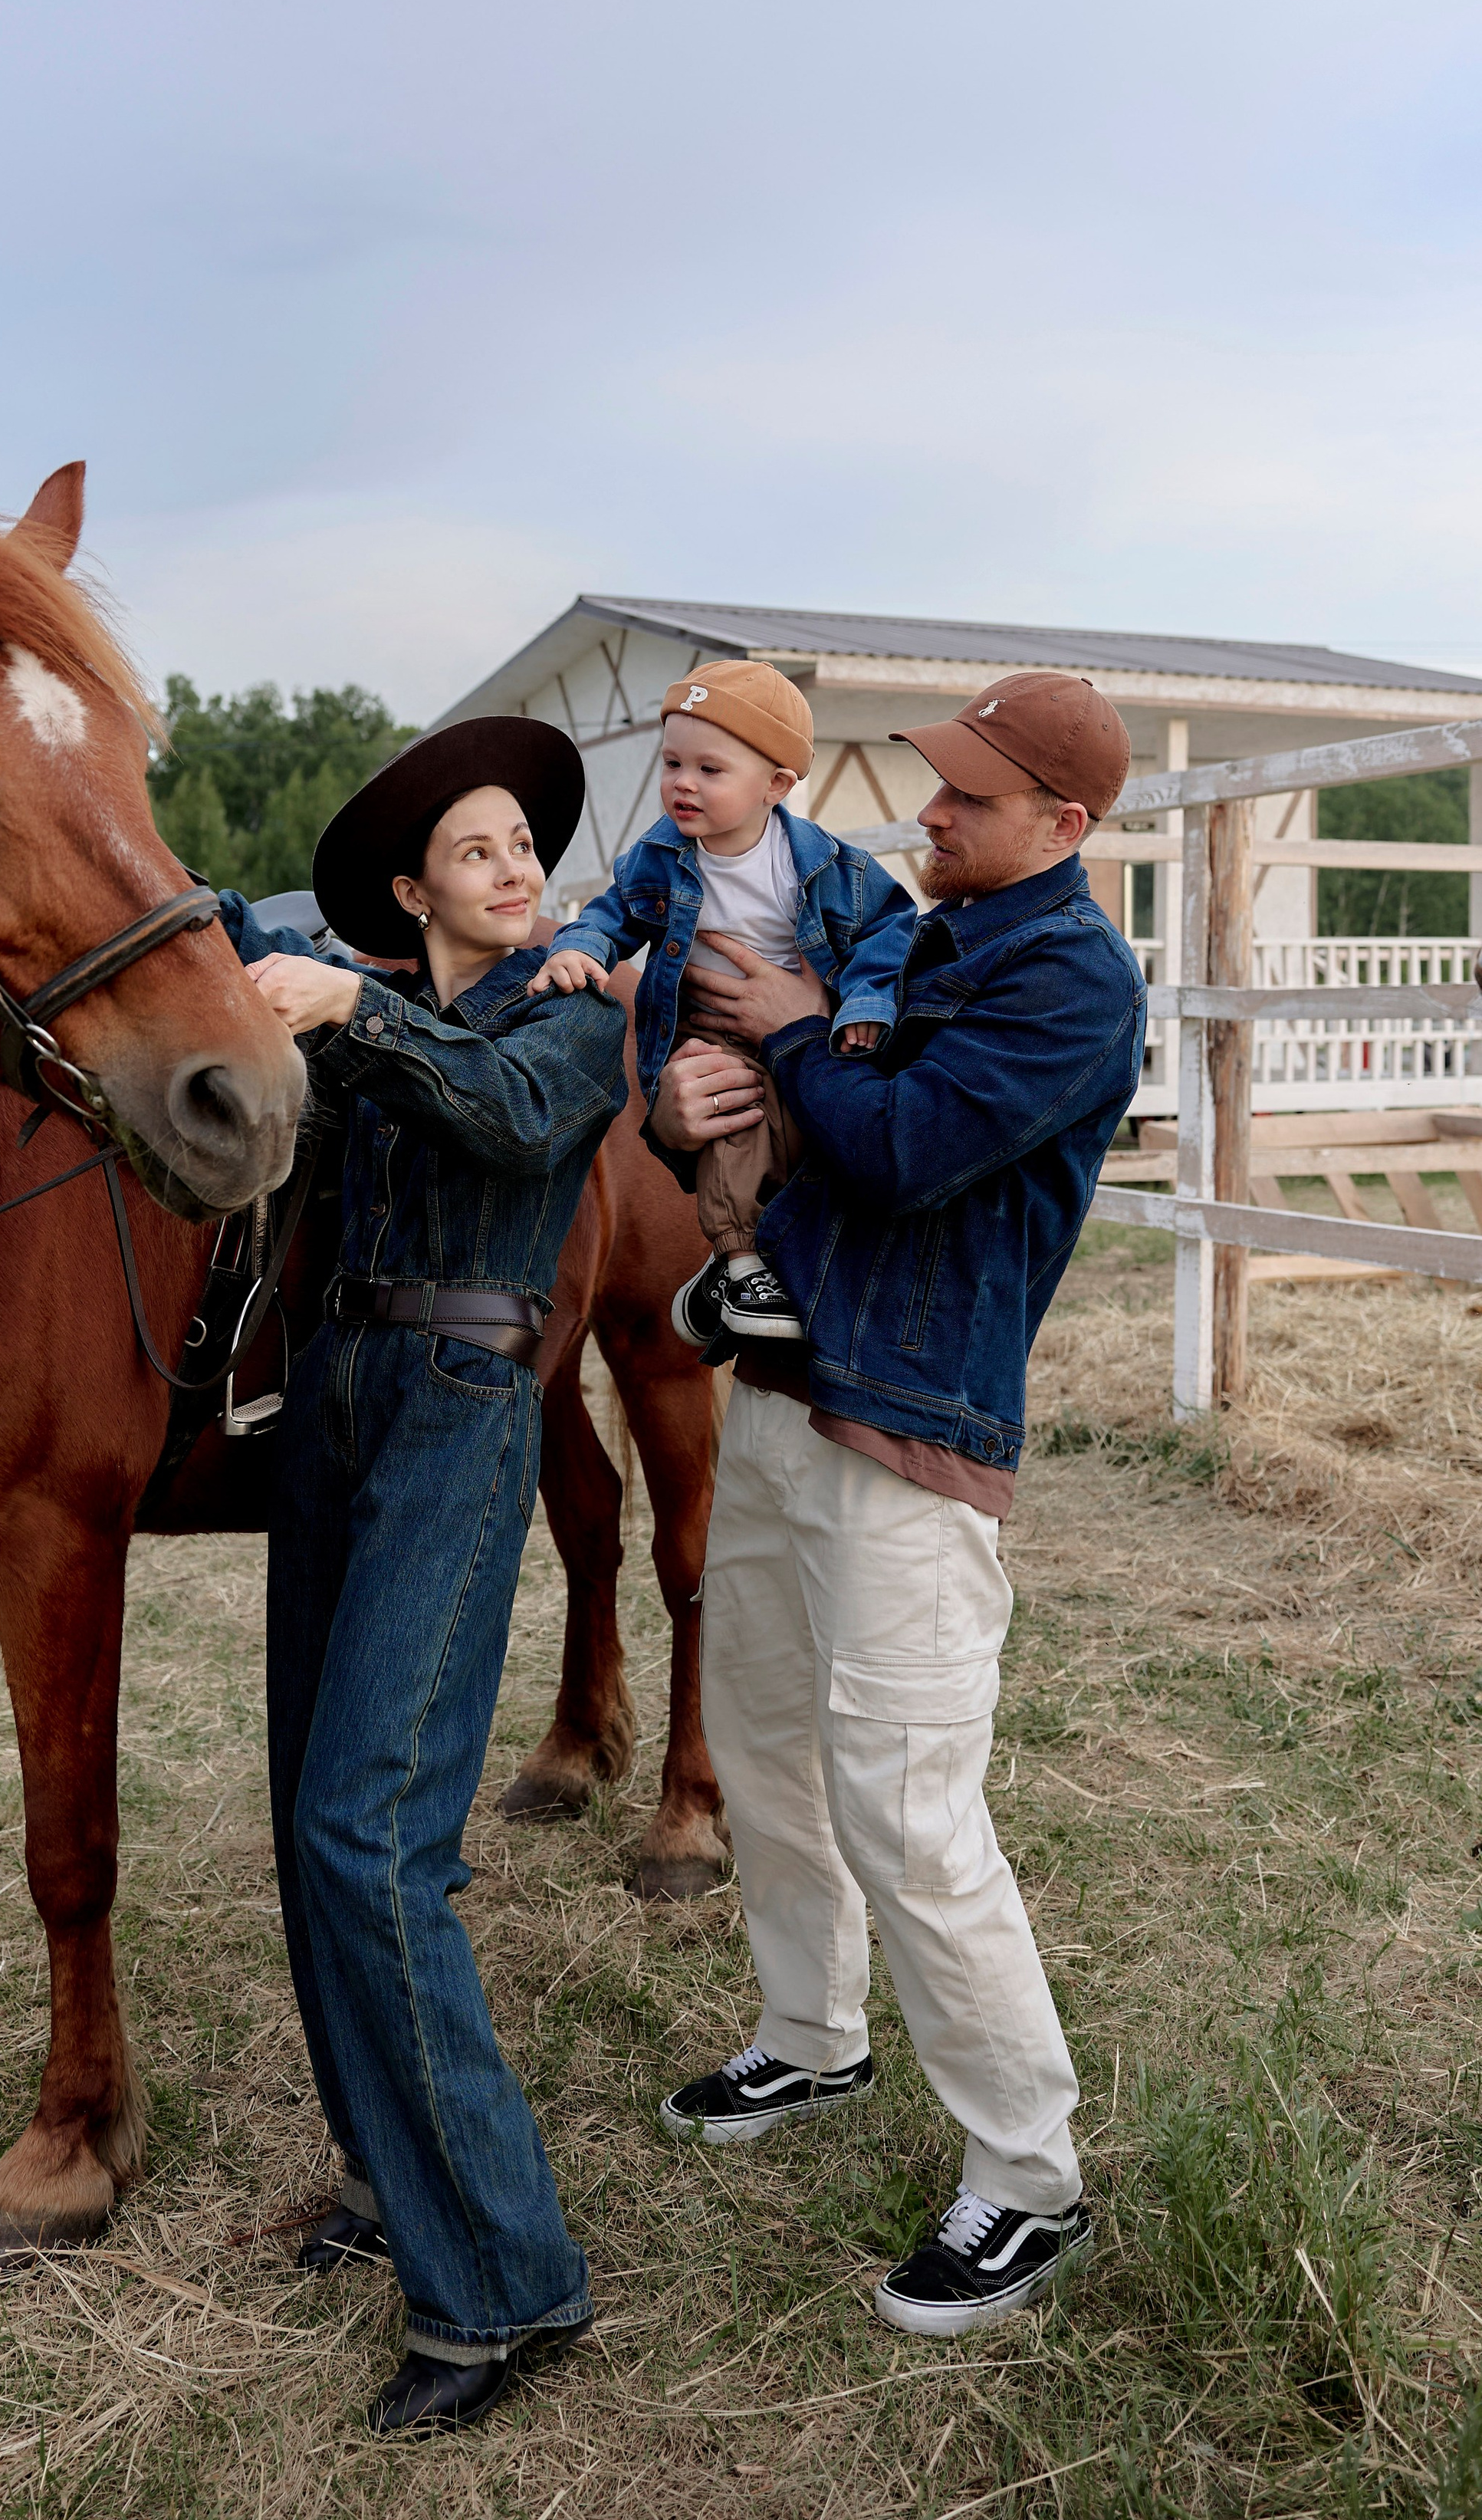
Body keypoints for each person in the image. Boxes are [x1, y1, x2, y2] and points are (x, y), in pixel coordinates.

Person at [647, 671, 1145, 2339]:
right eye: (933, 787)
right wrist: (688, 1120)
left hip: (912, 1443)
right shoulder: (922, 942)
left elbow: (901, 1148)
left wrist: (786, 1028)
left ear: (1064, 829)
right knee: (764, 1741)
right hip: (791, 1402)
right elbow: (796, 1147)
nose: (926, 814)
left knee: (911, 1814)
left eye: (968, 799)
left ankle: (1026, 2178)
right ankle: (810, 2034)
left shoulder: (1070, 983)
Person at [228, 716, 629, 2440]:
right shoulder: (343, 1001)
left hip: (467, 1403)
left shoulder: (570, 1020)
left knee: (370, 1831)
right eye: (475, 850)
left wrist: (356, 1012)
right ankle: (393, 2179)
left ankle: (502, 2276)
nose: (515, 866)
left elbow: (518, 1130)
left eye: (523, 845)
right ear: (411, 890)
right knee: (301, 1820)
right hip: (330, 1395)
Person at [529, 660, 915, 1345]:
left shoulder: (827, 866)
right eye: (672, 762)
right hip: (709, 1028)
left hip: (807, 1024)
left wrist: (865, 1003)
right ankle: (739, 1259)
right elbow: (614, 913)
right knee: (733, 1113)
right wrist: (583, 948)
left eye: (710, 770)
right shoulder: (660, 857)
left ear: (776, 785)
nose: (682, 782)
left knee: (809, 1135)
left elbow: (889, 929)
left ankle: (750, 1268)